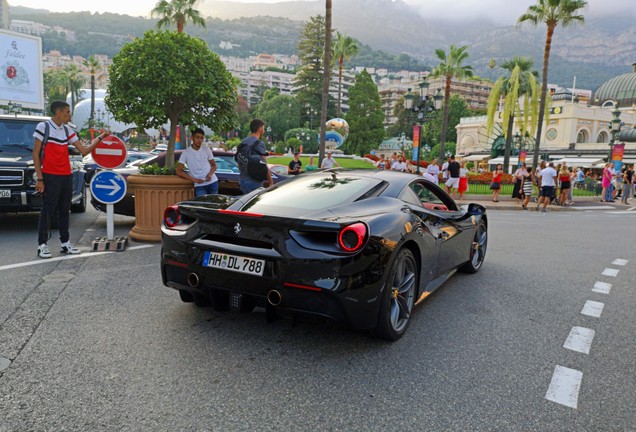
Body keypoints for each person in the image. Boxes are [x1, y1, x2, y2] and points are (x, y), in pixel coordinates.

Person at [33, 100, 108, 259]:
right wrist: (40, 178)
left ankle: (65, 243)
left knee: (64, 211)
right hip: (50, 176)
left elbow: (83, 150)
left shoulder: (67, 130)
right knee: (47, 211)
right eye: (67, 112)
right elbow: (35, 153)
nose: (69, 116)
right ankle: (42, 245)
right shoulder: (43, 127)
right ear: (58, 112)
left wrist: (100, 137)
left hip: (66, 175)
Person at [176, 127, 218, 197]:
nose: (199, 140)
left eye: (201, 138)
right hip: (199, 185)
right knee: (202, 206)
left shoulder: (207, 149)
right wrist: (193, 179)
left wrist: (210, 174)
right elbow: (179, 171)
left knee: (214, 206)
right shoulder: (186, 153)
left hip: (212, 182)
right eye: (197, 137)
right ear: (192, 138)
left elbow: (214, 166)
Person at [237, 119, 273, 194]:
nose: (264, 130)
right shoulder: (259, 143)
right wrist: (271, 182)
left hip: (243, 180)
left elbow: (239, 162)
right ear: (260, 129)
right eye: (263, 128)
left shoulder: (243, 142)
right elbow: (264, 164)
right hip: (254, 181)